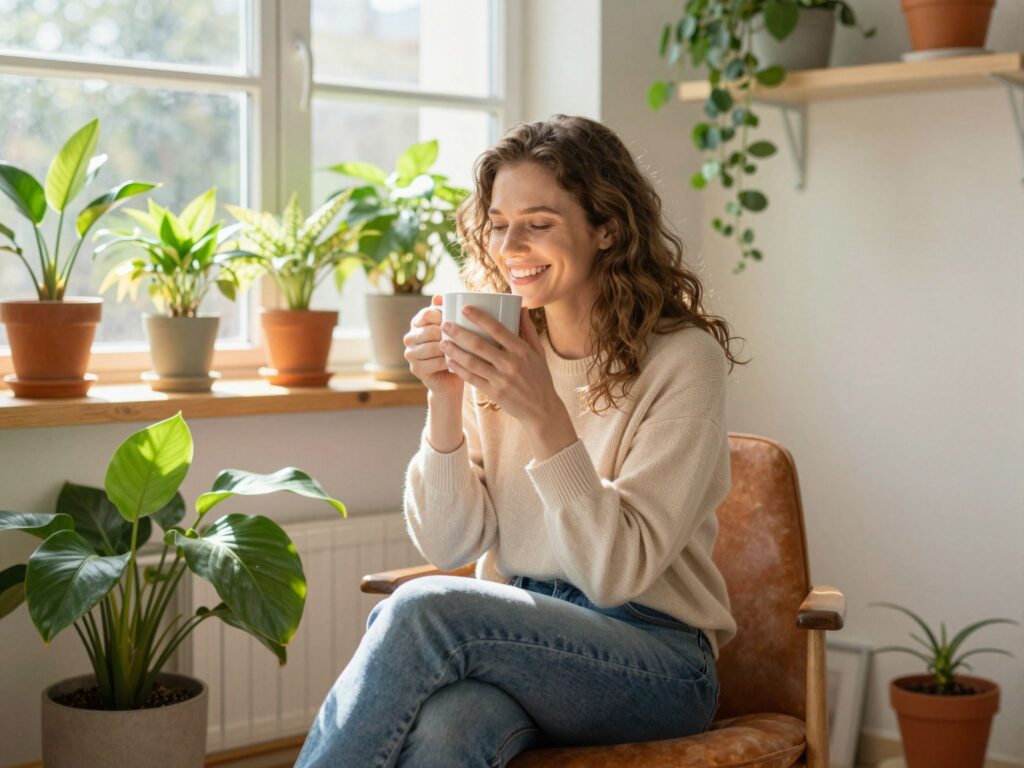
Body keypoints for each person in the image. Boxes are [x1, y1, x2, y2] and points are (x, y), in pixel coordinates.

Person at [296, 114, 748, 768]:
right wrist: (444, 395)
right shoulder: (503, 344)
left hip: (657, 659)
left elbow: (615, 573)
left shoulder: (683, 360)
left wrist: (542, 413)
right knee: (452, 727)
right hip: (523, 630)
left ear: (607, 228)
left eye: (538, 223)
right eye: (499, 223)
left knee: (424, 607)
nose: (511, 245)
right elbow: (450, 542)